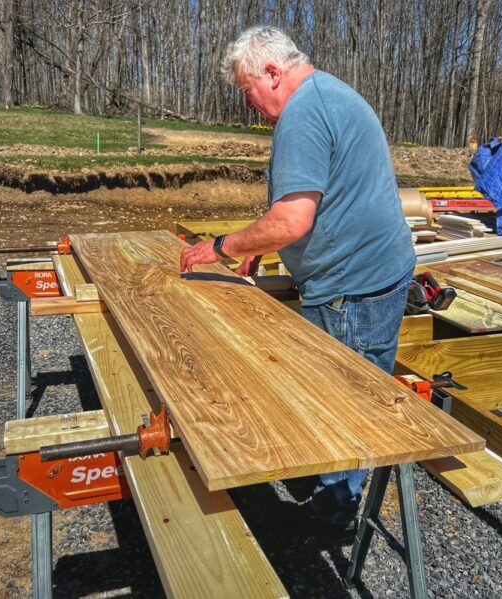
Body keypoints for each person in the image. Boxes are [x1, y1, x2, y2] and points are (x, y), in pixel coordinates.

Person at [180, 26, 416, 532]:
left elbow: (292, 221)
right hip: (373, 273)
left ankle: (337, 510)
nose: (249, 108)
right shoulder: (329, 93)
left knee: (340, 398)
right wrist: (259, 250)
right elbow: (309, 206)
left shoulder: (303, 114)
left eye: (247, 93)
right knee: (351, 389)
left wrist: (221, 246)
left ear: (271, 72)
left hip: (353, 287)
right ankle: (331, 483)